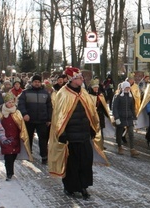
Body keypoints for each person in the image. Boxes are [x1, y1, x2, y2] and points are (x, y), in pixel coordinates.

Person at [48, 66, 108, 200]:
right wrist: (61, 133)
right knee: (72, 164)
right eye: (79, 78)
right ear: (71, 79)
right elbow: (58, 116)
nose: (82, 79)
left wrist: (92, 128)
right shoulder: (63, 93)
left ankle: (84, 186)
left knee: (85, 162)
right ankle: (70, 186)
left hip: (84, 135)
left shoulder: (84, 92)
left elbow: (90, 112)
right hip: (71, 136)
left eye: (81, 77)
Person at [18, 74, 53, 164]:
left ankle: (44, 156)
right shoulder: (26, 92)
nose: (37, 83)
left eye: (38, 82)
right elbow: (21, 104)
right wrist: (24, 114)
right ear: (32, 82)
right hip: (29, 120)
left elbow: (49, 106)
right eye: (35, 82)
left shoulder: (45, 93)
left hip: (42, 120)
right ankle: (28, 154)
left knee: (43, 139)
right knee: (28, 138)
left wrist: (49, 119)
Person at [0, 92, 33, 181]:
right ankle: (9, 173)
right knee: (8, 156)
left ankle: (11, 170)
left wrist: (22, 135)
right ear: (5, 103)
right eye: (9, 102)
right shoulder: (1, 113)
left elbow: (21, 125)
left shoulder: (17, 112)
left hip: (15, 138)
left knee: (13, 155)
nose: (11, 104)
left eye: (12, 102)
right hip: (5, 138)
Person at [112, 81, 139, 157]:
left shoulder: (131, 97)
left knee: (131, 133)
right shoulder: (118, 96)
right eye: (126, 87)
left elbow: (132, 108)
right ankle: (119, 146)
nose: (128, 89)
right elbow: (115, 108)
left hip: (129, 118)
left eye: (129, 87)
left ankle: (132, 149)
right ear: (123, 88)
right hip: (121, 117)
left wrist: (135, 118)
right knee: (119, 133)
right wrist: (116, 117)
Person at [88, 78, 112, 151]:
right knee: (93, 130)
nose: (96, 89)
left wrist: (107, 115)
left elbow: (104, 106)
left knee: (100, 130)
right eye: (95, 87)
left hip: (100, 115)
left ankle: (101, 144)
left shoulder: (100, 95)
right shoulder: (89, 96)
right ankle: (93, 144)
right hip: (92, 116)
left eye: (97, 87)